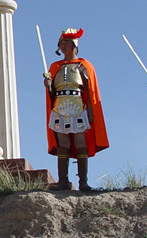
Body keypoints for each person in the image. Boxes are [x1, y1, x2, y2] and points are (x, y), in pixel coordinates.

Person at [44, 28, 108, 191]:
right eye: (61, 43)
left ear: (74, 45)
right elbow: (52, 93)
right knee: (63, 143)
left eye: (66, 43)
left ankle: (83, 182)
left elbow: (90, 90)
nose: (63, 46)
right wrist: (48, 85)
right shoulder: (55, 67)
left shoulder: (83, 65)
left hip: (77, 106)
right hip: (59, 106)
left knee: (80, 141)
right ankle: (63, 181)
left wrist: (91, 112)